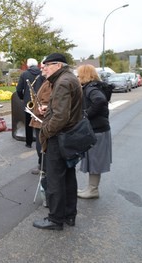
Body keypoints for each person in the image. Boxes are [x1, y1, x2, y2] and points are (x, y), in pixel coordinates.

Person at [34, 53, 82, 231]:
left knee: (55, 179)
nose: (44, 68)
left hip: (59, 137)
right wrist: (50, 108)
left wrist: (45, 133)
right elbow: (64, 109)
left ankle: (55, 219)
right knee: (68, 177)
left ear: (59, 65)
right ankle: (69, 214)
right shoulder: (68, 78)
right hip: (68, 136)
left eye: (48, 65)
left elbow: (61, 117)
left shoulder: (62, 82)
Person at [76, 64, 112, 199]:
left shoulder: (91, 88)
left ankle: (93, 190)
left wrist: (86, 115)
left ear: (85, 75)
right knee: (94, 159)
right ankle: (91, 188)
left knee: (95, 160)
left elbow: (100, 100)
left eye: (79, 75)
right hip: (99, 129)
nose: (77, 77)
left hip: (97, 130)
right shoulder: (95, 86)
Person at [16, 58, 44, 148]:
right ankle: (40, 141)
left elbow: (19, 89)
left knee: (28, 121)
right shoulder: (42, 73)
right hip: (41, 100)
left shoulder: (24, 74)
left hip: (28, 101)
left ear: (28, 65)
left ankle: (29, 142)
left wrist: (22, 98)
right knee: (40, 119)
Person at [29, 68, 52, 175]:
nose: (41, 69)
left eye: (44, 67)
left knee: (41, 146)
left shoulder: (49, 83)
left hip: (41, 120)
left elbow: (46, 101)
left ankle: (45, 168)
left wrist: (40, 109)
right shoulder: (45, 81)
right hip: (39, 119)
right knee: (40, 146)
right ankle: (42, 166)